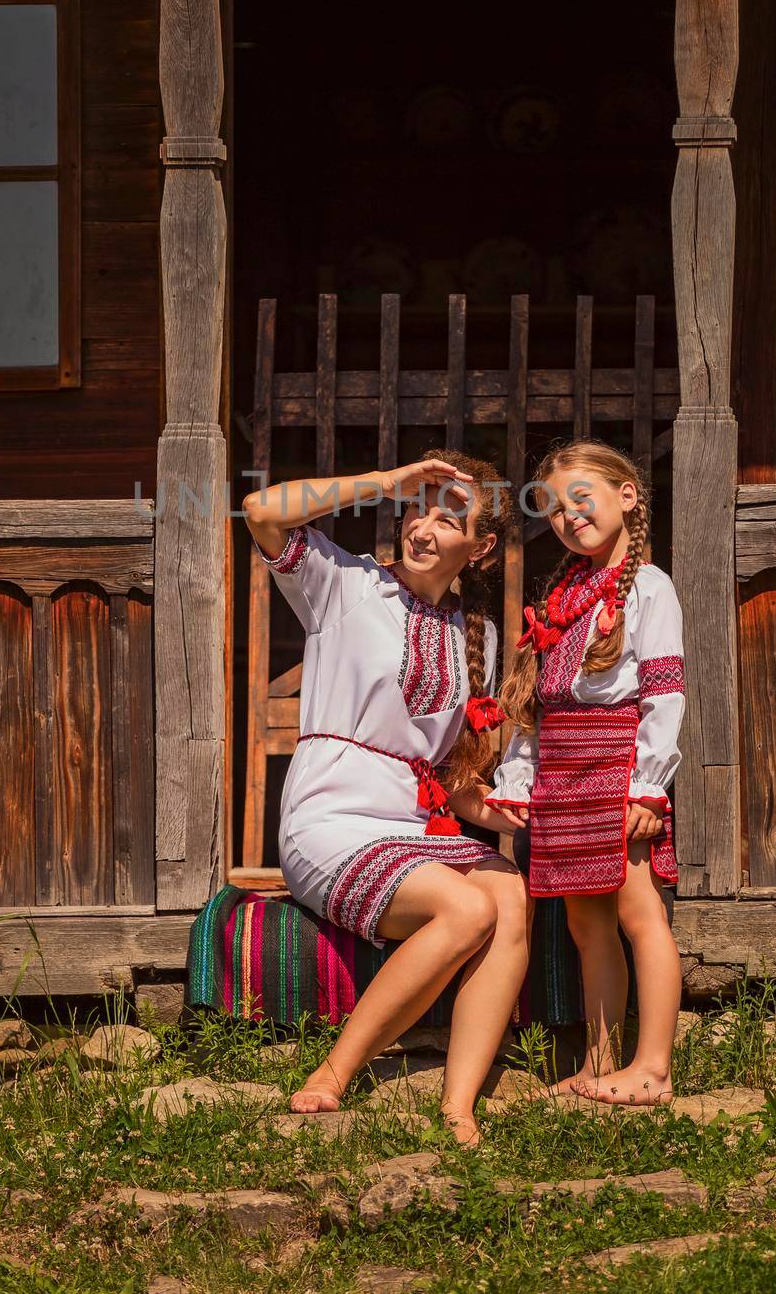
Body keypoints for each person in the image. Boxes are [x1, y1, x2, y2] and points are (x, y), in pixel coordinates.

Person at [242, 450, 528, 1145]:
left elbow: (453, 779)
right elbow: (259, 510)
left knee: (509, 893)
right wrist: (381, 482)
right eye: (415, 509)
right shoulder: (344, 584)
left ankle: (458, 1105)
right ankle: (334, 1073)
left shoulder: (478, 635)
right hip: (330, 819)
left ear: (481, 547)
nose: (422, 528)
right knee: (464, 907)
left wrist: (516, 811)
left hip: (405, 825)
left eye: (447, 518)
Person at [488, 438, 685, 1105]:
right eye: (553, 511)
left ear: (626, 496)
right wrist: (518, 780)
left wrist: (648, 786)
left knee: (637, 912)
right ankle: (601, 1062)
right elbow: (534, 702)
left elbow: (663, 691)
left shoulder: (647, 587)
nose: (569, 519)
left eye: (581, 500)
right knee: (584, 923)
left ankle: (652, 1066)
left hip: (614, 765)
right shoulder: (568, 591)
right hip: (561, 775)